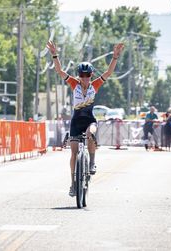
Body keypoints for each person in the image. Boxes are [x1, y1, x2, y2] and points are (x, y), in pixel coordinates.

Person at [46, 40, 124, 197]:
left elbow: (108, 73)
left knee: (91, 133)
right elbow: (60, 71)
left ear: (91, 75)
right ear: (79, 75)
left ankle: (93, 161)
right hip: (76, 121)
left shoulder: (94, 85)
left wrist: (115, 57)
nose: (85, 78)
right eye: (82, 75)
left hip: (89, 119)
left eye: (87, 75)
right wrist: (55, 54)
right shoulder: (74, 84)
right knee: (73, 153)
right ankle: (73, 184)